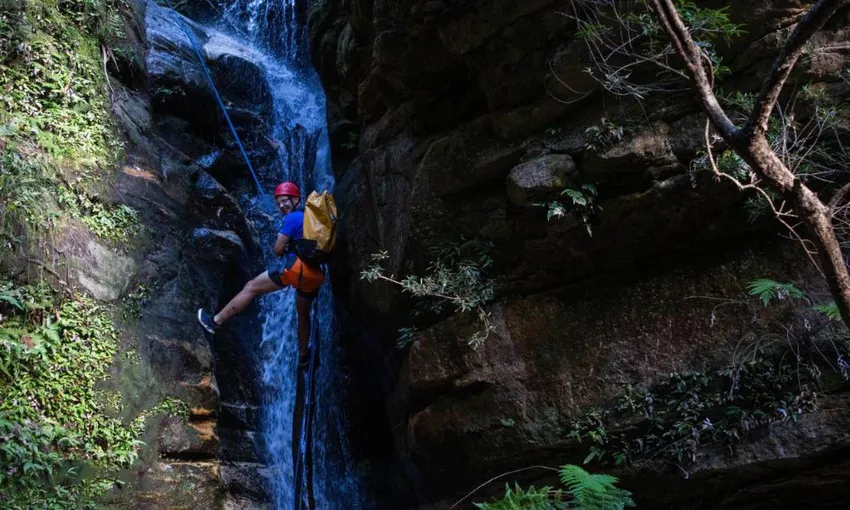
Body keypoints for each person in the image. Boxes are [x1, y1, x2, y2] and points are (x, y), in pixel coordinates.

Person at [197, 181, 325, 367]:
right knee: (303, 314)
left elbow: (278, 249)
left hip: (295, 270)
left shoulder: (292, 219)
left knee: (251, 287)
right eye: (279, 202)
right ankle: (304, 355)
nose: (281, 206)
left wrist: (285, 245)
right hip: (313, 276)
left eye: (285, 201)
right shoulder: (310, 219)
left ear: (296, 199)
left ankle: (214, 322)